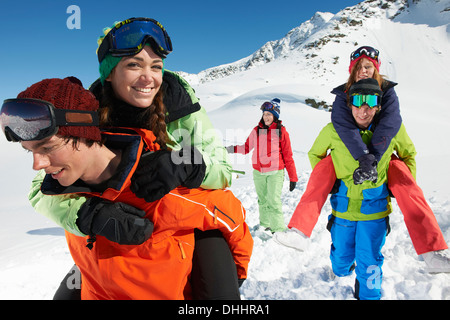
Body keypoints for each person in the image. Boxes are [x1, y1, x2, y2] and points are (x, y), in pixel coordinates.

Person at [27, 17, 244, 299]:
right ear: (109, 72)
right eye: (134, 65)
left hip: (188, 222)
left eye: (156, 66)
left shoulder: (179, 103)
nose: (148, 77)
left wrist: (187, 165)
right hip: (115, 228)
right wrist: (89, 214)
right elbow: (41, 190)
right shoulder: (85, 113)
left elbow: (224, 171)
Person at [0, 76, 253, 300]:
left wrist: (230, 278)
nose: (37, 165)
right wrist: (90, 215)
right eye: (30, 151)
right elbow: (38, 193)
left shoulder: (158, 189)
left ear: (85, 132)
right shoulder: (65, 189)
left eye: (47, 148)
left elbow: (230, 217)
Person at [275, 46, 450, 272]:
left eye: (368, 66)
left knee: (405, 179)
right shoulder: (343, 97)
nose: (363, 71)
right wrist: (334, 177)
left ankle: (431, 251)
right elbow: (341, 127)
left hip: (379, 178)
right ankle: (300, 231)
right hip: (346, 198)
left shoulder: (388, 94)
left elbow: (392, 124)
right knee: (326, 167)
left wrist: (394, 184)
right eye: (358, 68)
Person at [226, 99, 298, 233]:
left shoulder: (281, 131)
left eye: (269, 114)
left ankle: (278, 230)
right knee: (262, 200)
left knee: (273, 201)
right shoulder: (256, 130)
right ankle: (265, 225)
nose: (266, 117)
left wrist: (293, 177)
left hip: (276, 172)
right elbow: (246, 148)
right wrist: (230, 149)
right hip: (258, 172)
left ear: (275, 116)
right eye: (265, 114)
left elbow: (288, 156)